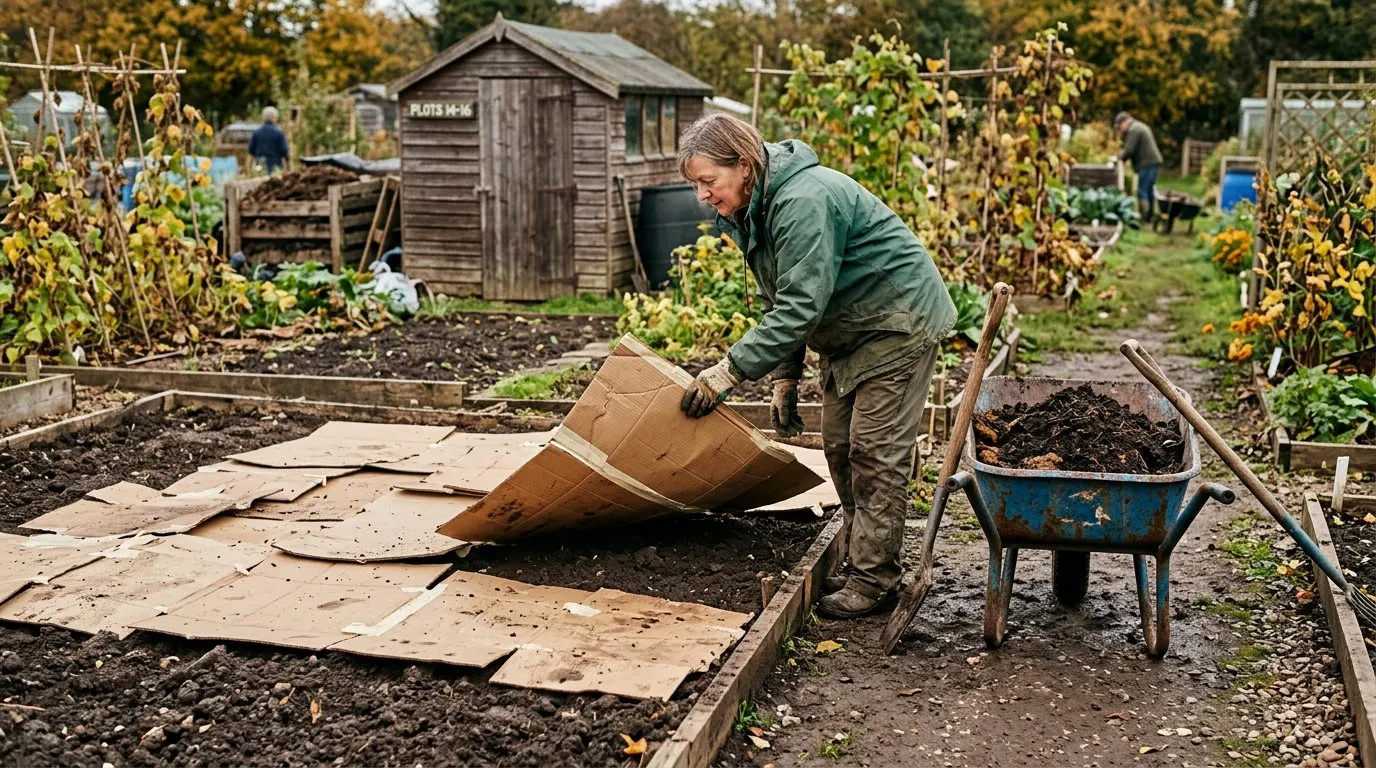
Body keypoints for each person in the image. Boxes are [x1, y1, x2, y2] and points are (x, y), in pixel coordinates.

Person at [675, 113, 957, 619]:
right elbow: (780, 296)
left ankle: (875, 580)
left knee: (874, 451)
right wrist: (785, 376)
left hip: (896, 321)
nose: (702, 195)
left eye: (707, 181)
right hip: (851, 329)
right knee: (839, 445)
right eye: (695, 184)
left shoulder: (802, 201)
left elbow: (800, 306)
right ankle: (861, 553)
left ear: (743, 165)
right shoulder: (755, 210)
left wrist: (730, 371)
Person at [1113, 111, 1162, 222]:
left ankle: (1144, 217)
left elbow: (1129, 149)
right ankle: (1150, 216)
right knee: (1149, 190)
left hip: (1147, 163)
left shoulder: (1134, 130)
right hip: (1152, 161)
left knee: (1142, 190)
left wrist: (1119, 158)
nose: (1121, 130)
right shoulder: (1139, 126)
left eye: (1120, 127)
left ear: (1126, 122)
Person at [248, 106, 290, 174]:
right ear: (273, 118)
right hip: (275, 167)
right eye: (276, 117)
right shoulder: (279, 133)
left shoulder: (256, 133)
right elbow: (284, 151)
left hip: (260, 167)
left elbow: (250, 150)